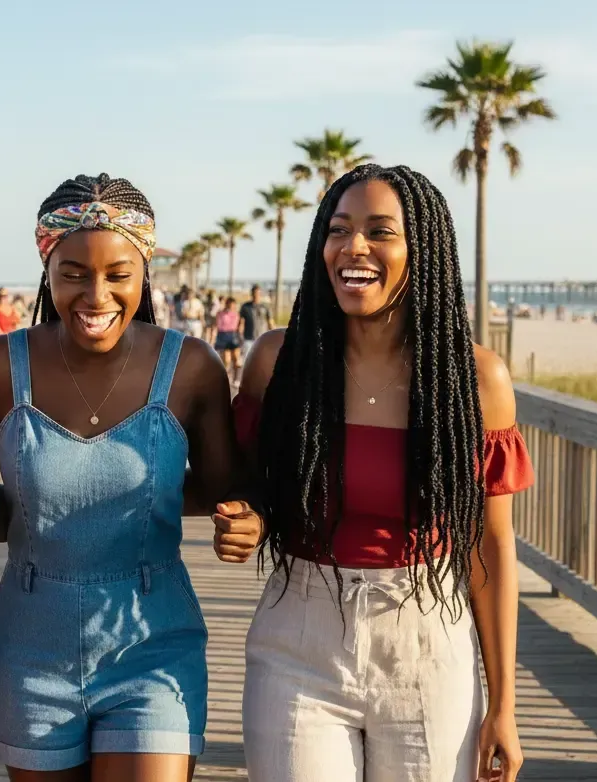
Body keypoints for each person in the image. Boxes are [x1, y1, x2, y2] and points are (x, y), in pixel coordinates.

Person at [0, 173, 261, 781]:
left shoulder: (191, 368)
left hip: (152, 638)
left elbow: (223, 491)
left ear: (145, 274)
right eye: (74, 272)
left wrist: (245, 522)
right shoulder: (0, 365)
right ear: (46, 268)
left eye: (117, 274)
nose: (95, 294)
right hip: (31, 643)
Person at [228, 165, 533, 782]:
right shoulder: (276, 364)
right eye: (338, 230)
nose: (354, 247)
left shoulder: (475, 380)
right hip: (298, 636)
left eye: (379, 231)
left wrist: (504, 704)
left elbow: (491, 547)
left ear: (422, 250)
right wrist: (248, 515)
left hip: (426, 639)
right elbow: (243, 484)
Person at [238, 284, 273, 365]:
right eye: (254, 293)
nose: (256, 295)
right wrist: (239, 335)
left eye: (258, 293)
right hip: (248, 338)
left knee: (262, 361)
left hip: (262, 338)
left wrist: (274, 335)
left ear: (260, 294)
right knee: (247, 361)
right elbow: (241, 322)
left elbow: (270, 322)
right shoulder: (245, 306)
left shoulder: (265, 307)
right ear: (251, 294)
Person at [214, 296, 242, 386]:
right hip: (223, 335)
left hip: (233, 335)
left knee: (236, 359)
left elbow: (240, 325)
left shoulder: (237, 314)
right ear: (227, 304)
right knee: (227, 360)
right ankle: (227, 376)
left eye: (233, 305)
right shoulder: (220, 313)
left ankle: (236, 378)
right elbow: (217, 325)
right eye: (230, 304)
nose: (232, 306)